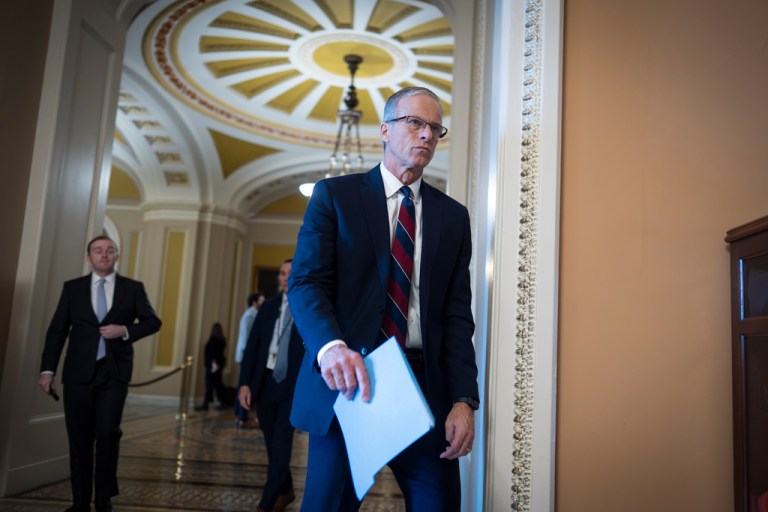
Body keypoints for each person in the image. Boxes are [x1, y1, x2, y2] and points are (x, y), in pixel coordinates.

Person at [288, 86, 479, 511]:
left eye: (435, 127)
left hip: (425, 389)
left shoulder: (452, 217)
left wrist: (464, 400)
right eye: (415, 123)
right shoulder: (335, 197)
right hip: (349, 385)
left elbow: (455, 316)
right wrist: (330, 348)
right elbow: (305, 283)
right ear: (384, 131)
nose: (427, 135)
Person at [37, 235, 162, 512]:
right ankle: (80, 502)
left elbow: (154, 322)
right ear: (89, 256)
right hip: (78, 374)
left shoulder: (132, 288)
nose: (103, 255)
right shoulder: (73, 289)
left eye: (109, 251)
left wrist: (125, 331)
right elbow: (57, 331)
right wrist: (47, 371)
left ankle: (103, 498)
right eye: (97, 251)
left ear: (116, 255)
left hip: (113, 373)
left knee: (107, 434)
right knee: (79, 437)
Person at [239, 259, 304, 512]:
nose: (286, 277)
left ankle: (267, 503)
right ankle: (286, 489)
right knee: (271, 441)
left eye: (291, 273)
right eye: (282, 273)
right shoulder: (268, 307)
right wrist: (244, 384)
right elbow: (252, 348)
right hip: (265, 382)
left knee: (281, 442)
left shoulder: (308, 306)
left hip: (292, 384)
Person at [234, 291, 265, 427]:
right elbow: (250, 338)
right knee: (244, 385)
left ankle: (240, 415)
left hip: (246, 353)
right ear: (254, 302)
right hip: (246, 354)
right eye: (261, 301)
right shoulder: (250, 315)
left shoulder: (251, 314)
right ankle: (241, 416)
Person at [195, 322, 229, 411]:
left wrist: (214, 364)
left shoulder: (214, 340)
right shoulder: (221, 340)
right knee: (217, 384)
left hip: (213, 366)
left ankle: (207, 403)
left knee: (210, 384)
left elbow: (214, 353)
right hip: (217, 365)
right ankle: (218, 402)